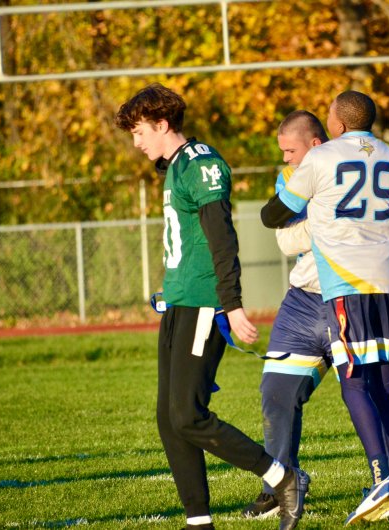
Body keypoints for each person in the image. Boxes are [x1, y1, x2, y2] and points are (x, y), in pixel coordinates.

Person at [114, 83, 309, 530]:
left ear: (163, 125)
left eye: (140, 131)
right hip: (180, 302)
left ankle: (283, 477)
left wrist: (232, 304)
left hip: (205, 303)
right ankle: (199, 522)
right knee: (170, 420)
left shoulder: (201, 163)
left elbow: (222, 237)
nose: (136, 141)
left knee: (188, 414)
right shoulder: (176, 166)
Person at [244, 110, 389, 521]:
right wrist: (336, 220)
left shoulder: (348, 161)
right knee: (276, 393)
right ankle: (280, 483)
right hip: (304, 300)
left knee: (374, 391)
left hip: (351, 295)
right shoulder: (293, 178)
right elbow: (284, 239)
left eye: (290, 150)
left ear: (318, 143)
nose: (285, 160)